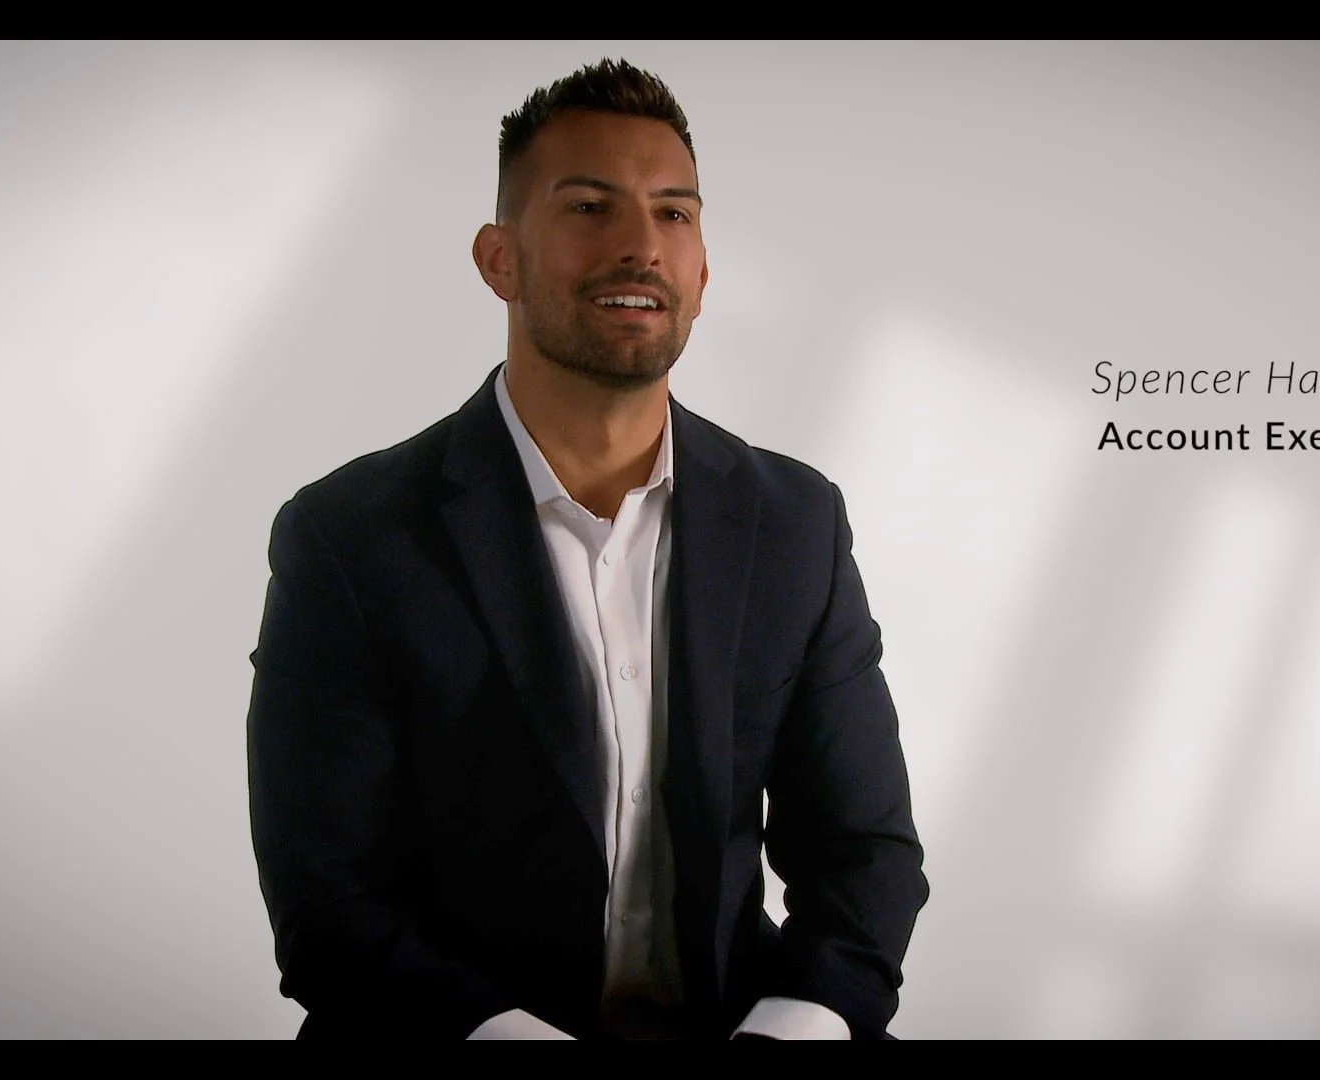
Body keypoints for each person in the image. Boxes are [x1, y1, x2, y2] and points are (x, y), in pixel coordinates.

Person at [245, 57, 928, 1041]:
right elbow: (329, 904)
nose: (641, 247)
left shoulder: (797, 522)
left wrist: (793, 1027)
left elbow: (865, 854)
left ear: (702, 270)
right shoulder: (351, 537)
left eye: (673, 215)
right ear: (499, 259)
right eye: (589, 208)